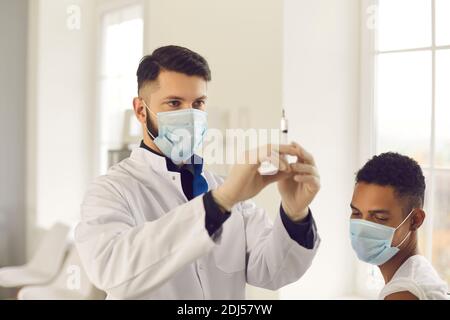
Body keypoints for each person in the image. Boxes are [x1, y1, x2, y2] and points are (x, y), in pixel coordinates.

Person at [75, 45, 321, 299]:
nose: (190, 115)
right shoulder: (111, 191)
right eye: (174, 103)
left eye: (198, 103)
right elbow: (111, 270)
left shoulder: (225, 188)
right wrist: (219, 203)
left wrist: (295, 214)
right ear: (140, 110)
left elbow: (271, 271)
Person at [350, 152, 449, 300]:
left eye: (379, 217)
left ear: (415, 220)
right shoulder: (417, 274)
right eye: (356, 213)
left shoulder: (405, 293)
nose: (363, 227)